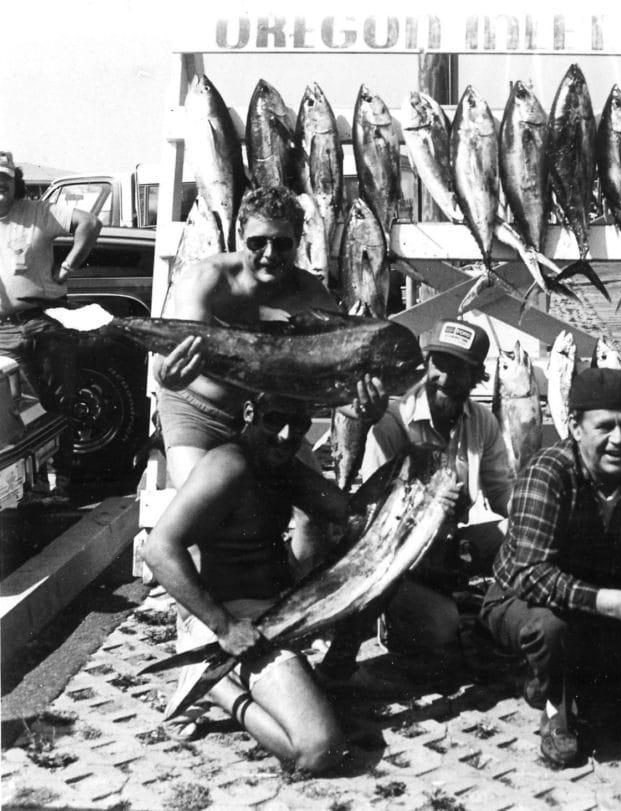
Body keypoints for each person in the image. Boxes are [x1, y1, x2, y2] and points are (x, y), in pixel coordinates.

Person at [481, 367, 621, 767]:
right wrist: (615, 603)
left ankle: (569, 677)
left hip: (604, 599)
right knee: (551, 630)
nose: (619, 440)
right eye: (605, 427)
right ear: (575, 427)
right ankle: (554, 706)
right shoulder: (548, 473)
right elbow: (530, 573)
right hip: (525, 603)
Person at [152, 185, 383, 566]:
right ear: (240, 234)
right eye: (258, 242)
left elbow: (337, 389)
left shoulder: (311, 295)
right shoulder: (206, 280)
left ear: (298, 241)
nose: (270, 254)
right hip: (200, 412)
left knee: (315, 515)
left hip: (270, 423)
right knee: (203, 510)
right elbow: (173, 363)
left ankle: (299, 599)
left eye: (282, 244)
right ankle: (199, 615)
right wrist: (168, 375)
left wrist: (364, 411)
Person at [143, 394, 349, 773]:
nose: (287, 434)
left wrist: (363, 426)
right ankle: (218, 689)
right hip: (232, 620)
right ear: (250, 412)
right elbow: (158, 550)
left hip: (272, 615)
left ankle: (225, 676)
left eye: (299, 426)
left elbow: (346, 509)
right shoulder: (228, 465)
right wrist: (224, 628)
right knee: (319, 750)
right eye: (275, 420)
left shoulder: (283, 465)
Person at [317, 319, 514, 683]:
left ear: (477, 376)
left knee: (520, 531)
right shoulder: (392, 421)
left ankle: (504, 616)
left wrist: (539, 513)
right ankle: (380, 623)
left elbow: (502, 492)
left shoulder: (482, 421)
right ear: (427, 364)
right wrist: (434, 513)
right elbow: (382, 524)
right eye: (440, 364)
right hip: (399, 559)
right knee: (442, 629)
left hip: (451, 542)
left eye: (460, 369)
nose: (445, 378)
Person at [1, 151, 102, 501]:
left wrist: (68, 267)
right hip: (3, 332)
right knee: (22, 411)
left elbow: (90, 223)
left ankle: (64, 482)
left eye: (5, 179)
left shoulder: (38, 212)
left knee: (61, 402)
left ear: (15, 183)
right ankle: (34, 484)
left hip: (45, 321)